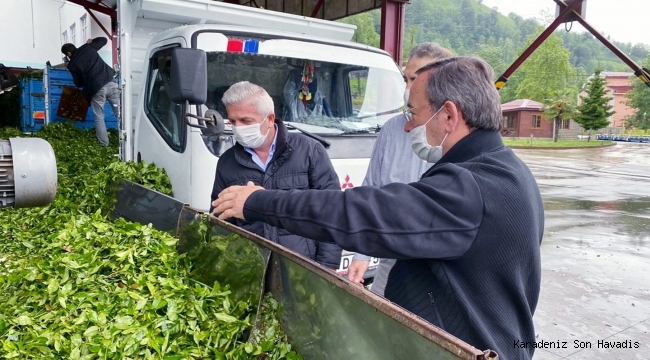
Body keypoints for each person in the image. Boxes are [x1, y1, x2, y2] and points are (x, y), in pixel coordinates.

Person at [212, 57, 544, 359]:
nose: (408, 127)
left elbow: (358, 214)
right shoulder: (509, 171)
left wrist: (257, 201)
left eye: (413, 113)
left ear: (449, 115)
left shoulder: (471, 187)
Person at [347, 43, 454, 296]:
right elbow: (371, 192)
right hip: (391, 263)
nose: (408, 89)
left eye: (415, 79)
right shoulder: (392, 130)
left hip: (437, 272)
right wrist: (362, 252)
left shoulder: (455, 134)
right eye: (405, 79)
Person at [209, 81, 343, 270]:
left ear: (270, 119)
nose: (237, 128)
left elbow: (333, 211)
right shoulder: (227, 163)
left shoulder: (309, 151)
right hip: (252, 269)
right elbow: (220, 222)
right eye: (233, 121)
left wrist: (327, 267)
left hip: (302, 268)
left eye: (246, 121)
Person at [61, 37, 119, 146]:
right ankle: (129, 140)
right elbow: (104, 40)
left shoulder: (72, 65)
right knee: (121, 114)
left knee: (99, 117)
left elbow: (79, 84)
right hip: (111, 83)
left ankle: (104, 144)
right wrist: (91, 41)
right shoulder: (88, 48)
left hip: (96, 90)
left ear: (68, 54)